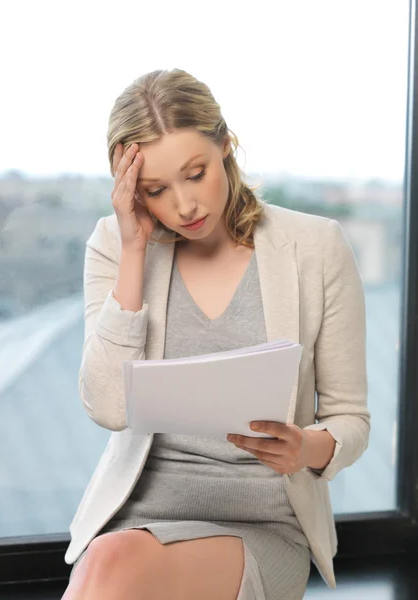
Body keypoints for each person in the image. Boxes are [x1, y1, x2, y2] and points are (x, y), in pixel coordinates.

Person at [61, 68, 370, 600]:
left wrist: (305, 448)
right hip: (141, 517)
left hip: (263, 522)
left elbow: (351, 419)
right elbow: (109, 408)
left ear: (225, 146)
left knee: (112, 572)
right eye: (156, 190)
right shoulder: (116, 246)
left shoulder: (315, 247)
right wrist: (135, 251)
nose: (184, 206)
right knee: (108, 558)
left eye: (196, 173)